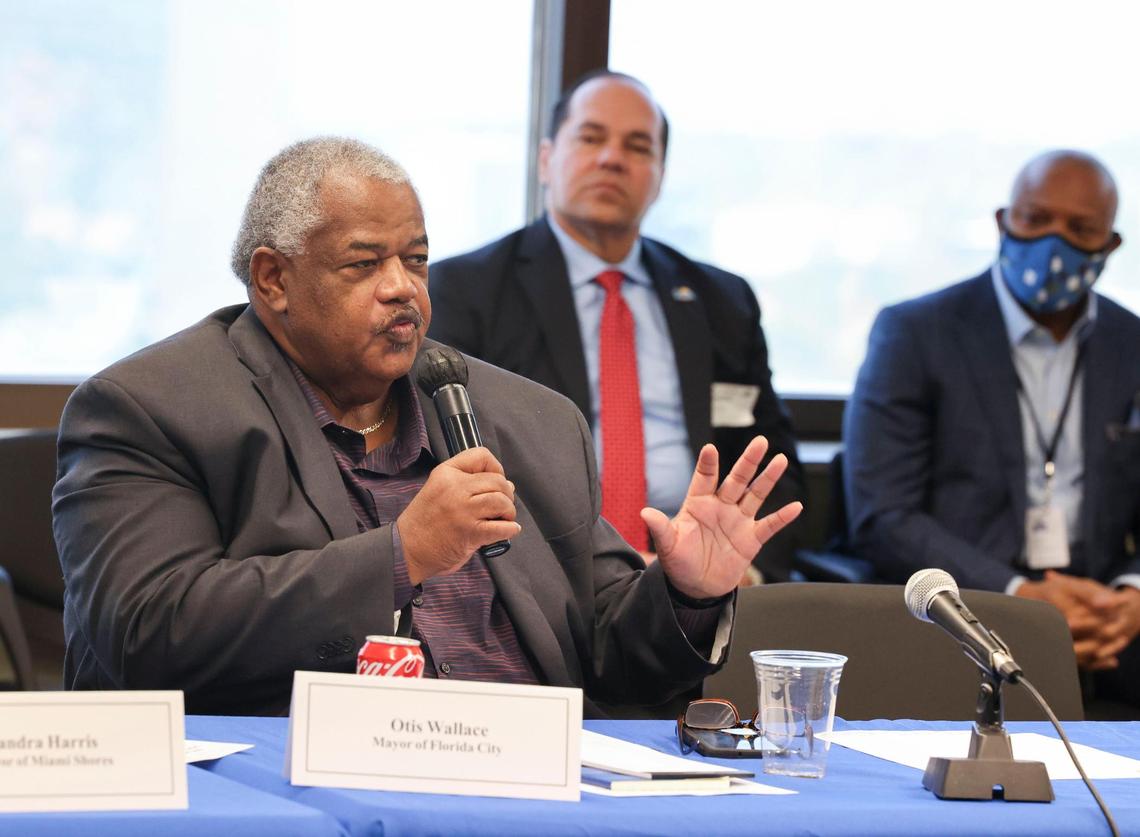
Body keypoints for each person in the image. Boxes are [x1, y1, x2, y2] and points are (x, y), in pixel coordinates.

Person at [52, 137, 802, 716]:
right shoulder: (152, 407)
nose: (402, 288)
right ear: (273, 278)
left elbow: (607, 651)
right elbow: (145, 635)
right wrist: (400, 554)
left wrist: (683, 593)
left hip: (530, 787)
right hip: (299, 790)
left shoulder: (528, 422)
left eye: (416, 259)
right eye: (363, 264)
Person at [427, 71, 804, 582]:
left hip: (704, 570)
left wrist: (746, 570)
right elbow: (446, 462)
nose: (611, 158)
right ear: (545, 159)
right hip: (537, 574)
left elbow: (770, 458)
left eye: (637, 146)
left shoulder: (721, 300)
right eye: (590, 138)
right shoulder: (467, 290)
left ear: (660, 173)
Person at [844, 150, 1140, 707]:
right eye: (1035, 220)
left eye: (1080, 229)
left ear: (1111, 244)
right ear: (1003, 222)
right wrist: (1024, 602)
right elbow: (884, 516)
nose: (1054, 245)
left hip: (1108, 631)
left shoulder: (1133, 346)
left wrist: (1130, 598)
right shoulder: (915, 333)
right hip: (959, 620)